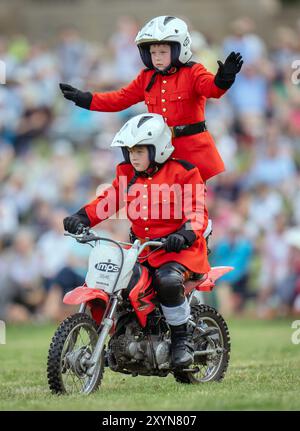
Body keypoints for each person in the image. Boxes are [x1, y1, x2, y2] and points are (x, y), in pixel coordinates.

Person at [63, 113, 210, 368]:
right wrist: (81, 217)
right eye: (130, 150)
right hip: (142, 249)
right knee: (117, 282)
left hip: (179, 251)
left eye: (140, 150)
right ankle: (121, 340)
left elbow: (198, 213)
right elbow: (107, 201)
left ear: (159, 148)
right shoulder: (128, 174)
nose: (133, 156)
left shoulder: (184, 172)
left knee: (167, 280)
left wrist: (184, 234)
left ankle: (180, 340)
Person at [59, 15, 243, 182]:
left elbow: (212, 89)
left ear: (180, 48)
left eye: (162, 52)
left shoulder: (193, 71)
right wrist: (84, 99)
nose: (157, 58)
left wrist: (224, 78)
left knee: (194, 207)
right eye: (153, 53)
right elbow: (120, 99)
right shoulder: (147, 77)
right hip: (160, 152)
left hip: (194, 152)